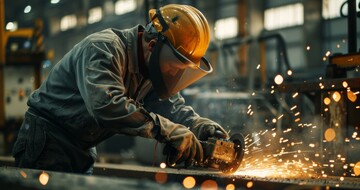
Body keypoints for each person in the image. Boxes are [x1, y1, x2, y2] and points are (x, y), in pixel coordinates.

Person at [12, 4, 228, 174]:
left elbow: (170, 107)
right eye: (173, 66)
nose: (173, 74)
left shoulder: (152, 70)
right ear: (152, 46)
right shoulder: (104, 48)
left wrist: (198, 125)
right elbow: (106, 105)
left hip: (83, 145)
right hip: (48, 138)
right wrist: (165, 129)